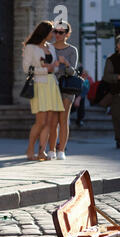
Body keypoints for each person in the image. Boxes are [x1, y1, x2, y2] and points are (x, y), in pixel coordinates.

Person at [22, 20, 64, 161]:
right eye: (52, 31)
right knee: (41, 121)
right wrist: (46, 68)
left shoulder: (50, 48)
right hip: (39, 85)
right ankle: (29, 151)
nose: (54, 34)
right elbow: (26, 68)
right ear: (44, 32)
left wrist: (54, 66)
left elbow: (55, 68)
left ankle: (42, 152)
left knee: (50, 121)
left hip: (52, 84)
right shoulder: (30, 47)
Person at [47, 21, 78, 160]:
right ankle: (51, 150)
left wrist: (65, 63)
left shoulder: (72, 50)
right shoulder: (48, 47)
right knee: (52, 120)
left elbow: (73, 71)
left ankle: (61, 150)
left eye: (61, 32)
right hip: (52, 86)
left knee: (63, 119)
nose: (57, 35)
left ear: (67, 34)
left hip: (67, 88)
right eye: (55, 32)